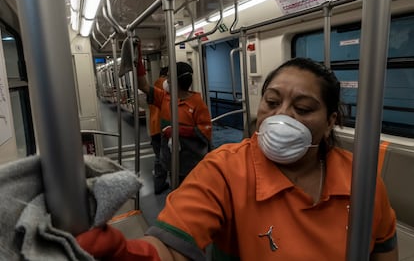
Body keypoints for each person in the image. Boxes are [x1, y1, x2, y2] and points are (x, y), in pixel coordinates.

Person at [77, 57, 398, 260]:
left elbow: (384, 247)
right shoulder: (225, 169)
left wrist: (189, 133)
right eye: (271, 103)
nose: (281, 117)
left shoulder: (359, 177)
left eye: (302, 109)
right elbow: (172, 247)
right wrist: (129, 254)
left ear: (330, 122)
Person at [136, 45, 212, 194]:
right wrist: (138, 59)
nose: (166, 81)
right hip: (171, 159)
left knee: (191, 193)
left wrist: (178, 131)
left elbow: (205, 133)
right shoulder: (164, 98)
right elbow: (143, 85)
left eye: (169, 78)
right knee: (175, 190)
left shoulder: (197, 104)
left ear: (176, 82)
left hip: (191, 162)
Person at [148, 66, 169, 194]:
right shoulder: (164, 86)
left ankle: (159, 183)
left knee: (158, 156)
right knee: (163, 157)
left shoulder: (155, 86)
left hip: (154, 127)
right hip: (162, 127)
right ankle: (160, 184)